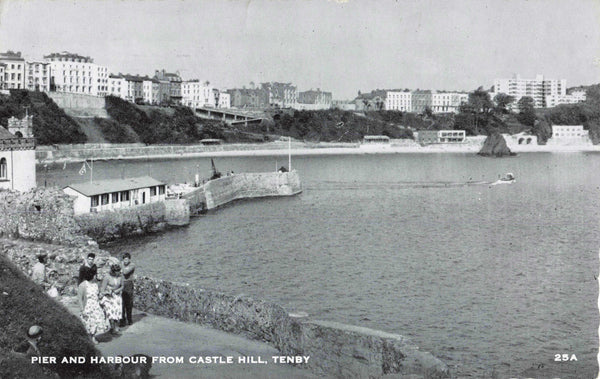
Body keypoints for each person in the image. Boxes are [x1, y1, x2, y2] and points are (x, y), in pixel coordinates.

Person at [78, 271, 109, 344]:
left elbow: (97, 295)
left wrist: (101, 296)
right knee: (89, 322)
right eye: (95, 275)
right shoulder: (82, 285)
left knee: (97, 321)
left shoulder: (95, 284)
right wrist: (82, 310)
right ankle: (89, 337)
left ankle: (93, 337)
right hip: (88, 306)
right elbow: (80, 298)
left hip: (96, 305)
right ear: (91, 276)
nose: (96, 276)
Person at [100, 264, 124, 334]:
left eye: (119, 271)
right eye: (117, 271)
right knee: (110, 312)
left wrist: (117, 290)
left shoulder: (120, 276)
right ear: (113, 271)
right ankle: (112, 328)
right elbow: (102, 289)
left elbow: (122, 286)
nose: (119, 272)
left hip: (117, 297)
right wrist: (108, 292)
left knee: (117, 311)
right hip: (109, 297)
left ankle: (116, 327)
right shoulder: (107, 277)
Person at [120, 253, 136, 327]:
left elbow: (125, 272)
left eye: (127, 259)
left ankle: (129, 319)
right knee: (121, 303)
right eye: (124, 259)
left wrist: (121, 269)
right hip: (122, 283)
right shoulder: (121, 264)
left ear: (129, 259)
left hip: (129, 284)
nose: (125, 261)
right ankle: (122, 320)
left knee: (129, 303)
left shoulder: (132, 265)